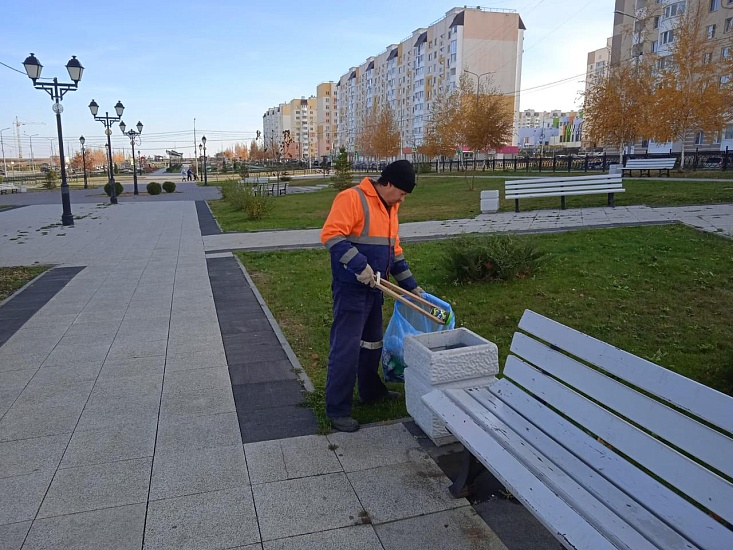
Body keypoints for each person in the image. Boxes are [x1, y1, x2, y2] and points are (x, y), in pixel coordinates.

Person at [320, 159, 422, 432]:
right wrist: (359, 266)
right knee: (347, 347)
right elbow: (331, 236)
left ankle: (371, 391)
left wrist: (410, 286)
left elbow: (394, 251)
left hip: (376, 289)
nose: (403, 199)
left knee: (372, 344)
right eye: (401, 192)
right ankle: (338, 408)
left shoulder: (391, 208)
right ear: (387, 183)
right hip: (351, 288)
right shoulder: (352, 199)